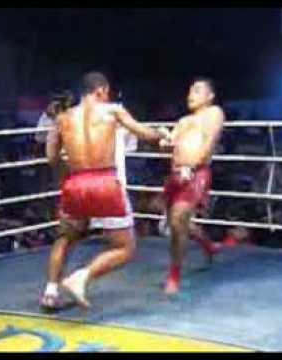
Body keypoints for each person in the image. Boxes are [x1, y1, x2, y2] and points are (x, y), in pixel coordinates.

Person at [41, 71, 170, 309]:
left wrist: (68, 172)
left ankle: (50, 291)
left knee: (65, 238)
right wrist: (161, 133)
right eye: (106, 92)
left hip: (75, 182)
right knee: (125, 247)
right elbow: (144, 133)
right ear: (101, 90)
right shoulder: (112, 110)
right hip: (104, 182)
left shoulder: (63, 118)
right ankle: (82, 276)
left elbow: (51, 157)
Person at [159, 77, 225, 295]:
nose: (191, 95)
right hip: (175, 173)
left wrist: (193, 165)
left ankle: (174, 275)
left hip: (196, 173)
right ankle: (208, 245)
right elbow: (168, 146)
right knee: (176, 223)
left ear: (210, 96)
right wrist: (164, 140)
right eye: (189, 91)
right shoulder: (183, 121)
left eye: (197, 91)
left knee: (178, 220)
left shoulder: (213, 113)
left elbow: (209, 142)